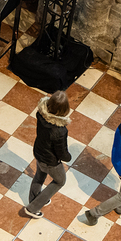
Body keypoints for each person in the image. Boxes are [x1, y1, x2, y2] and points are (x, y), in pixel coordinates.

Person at [22, 91, 73, 219]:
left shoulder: (41, 114)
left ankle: (34, 199)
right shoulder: (60, 130)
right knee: (60, 181)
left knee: (40, 176)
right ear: (65, 110)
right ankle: (33, 208)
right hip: (51, 161)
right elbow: (61, 152)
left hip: (39, 152)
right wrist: (68, 157)